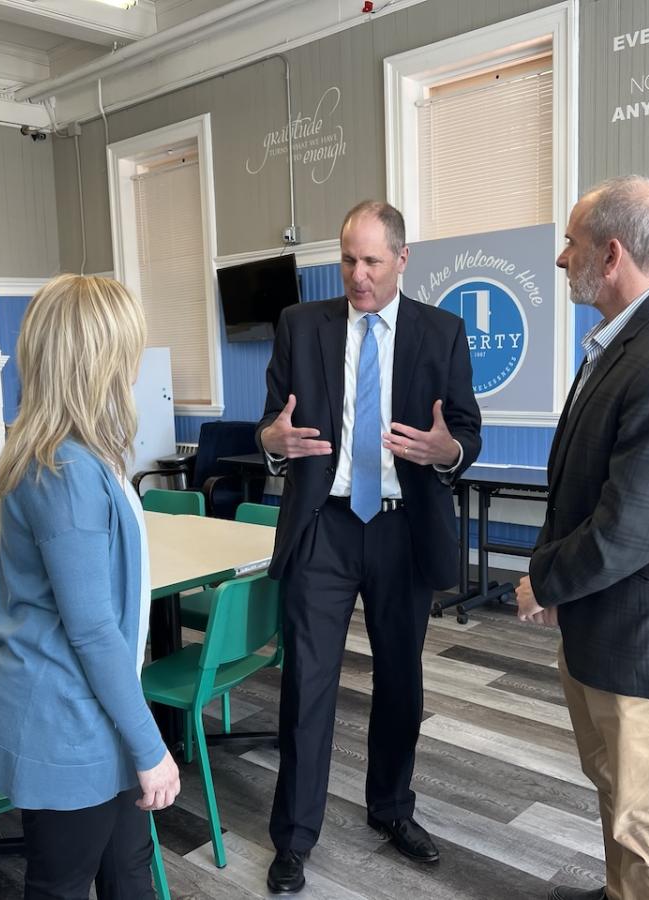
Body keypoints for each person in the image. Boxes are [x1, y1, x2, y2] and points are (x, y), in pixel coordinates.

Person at [257, 200, 481, 894]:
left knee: (400, 682)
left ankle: (390, 808)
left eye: (372, 261)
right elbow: (271, 421)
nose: (357, 275)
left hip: (400, 526)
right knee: (308, 682)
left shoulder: (441, 333)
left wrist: (449, 451)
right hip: (322, 525)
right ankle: (294, 837)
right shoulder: (301, 325)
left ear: (402, 259)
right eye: (348, 259)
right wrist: (271, 443)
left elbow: (467, 432)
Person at [513, 176, 649, 900]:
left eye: (570, 244)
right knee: (615, 787)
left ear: (609, 253)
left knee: (648, 815)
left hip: (640, 638)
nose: (559, 259)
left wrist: (543, 580)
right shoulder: (623, 342)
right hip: (604, 624)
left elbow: (632, 526)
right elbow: (580, 484)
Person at [0, 274, 179, 900]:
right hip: (66, 717)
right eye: (129, 350)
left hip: (97, 707)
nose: (136, 365)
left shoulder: (80, 454)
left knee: (128, 871)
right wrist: (151, 745)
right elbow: (90, 629)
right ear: (99, 360)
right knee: (63, 885)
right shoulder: (62, 469)